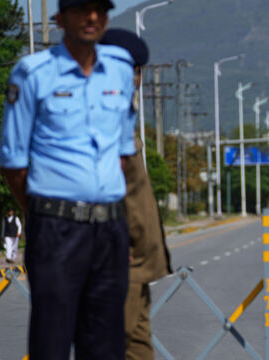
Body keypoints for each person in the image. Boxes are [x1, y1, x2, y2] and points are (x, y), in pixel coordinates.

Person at [0, 0, 136, 358]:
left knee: (106, 345)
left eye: (100, 11)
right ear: (59, 18)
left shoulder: (119, 70)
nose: (92, 18)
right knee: (52, 341)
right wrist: (46, 210)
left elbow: (122, 153)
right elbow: (13, 163)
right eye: (80, 9)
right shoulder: (33, 73)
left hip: (110, 228)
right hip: (57, 228)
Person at [100, 28, 172, 360]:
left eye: (137, 71)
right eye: (126, 70)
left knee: (138, 343)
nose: (135, 79)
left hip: (138, 259)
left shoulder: (122, 117)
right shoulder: (99, 118)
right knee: (121, 343)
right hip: (118, 254)